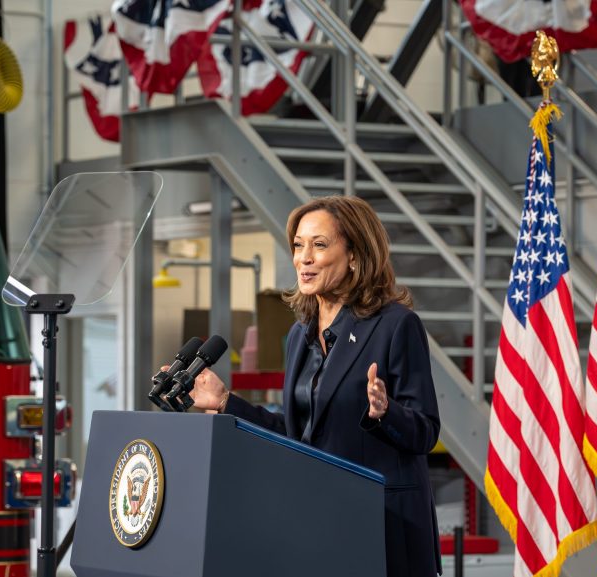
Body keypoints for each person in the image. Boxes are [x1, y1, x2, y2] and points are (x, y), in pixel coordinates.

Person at [184, 195, 442, 577]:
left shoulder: (395, 325)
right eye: (298, 245)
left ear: (355, 255)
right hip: (322, 522)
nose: (303, 257)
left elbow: (425, 432)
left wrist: (386, 412)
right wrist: (225, 401)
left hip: (383, 527)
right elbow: (297, 433)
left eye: (319, 245)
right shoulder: (299, 336)